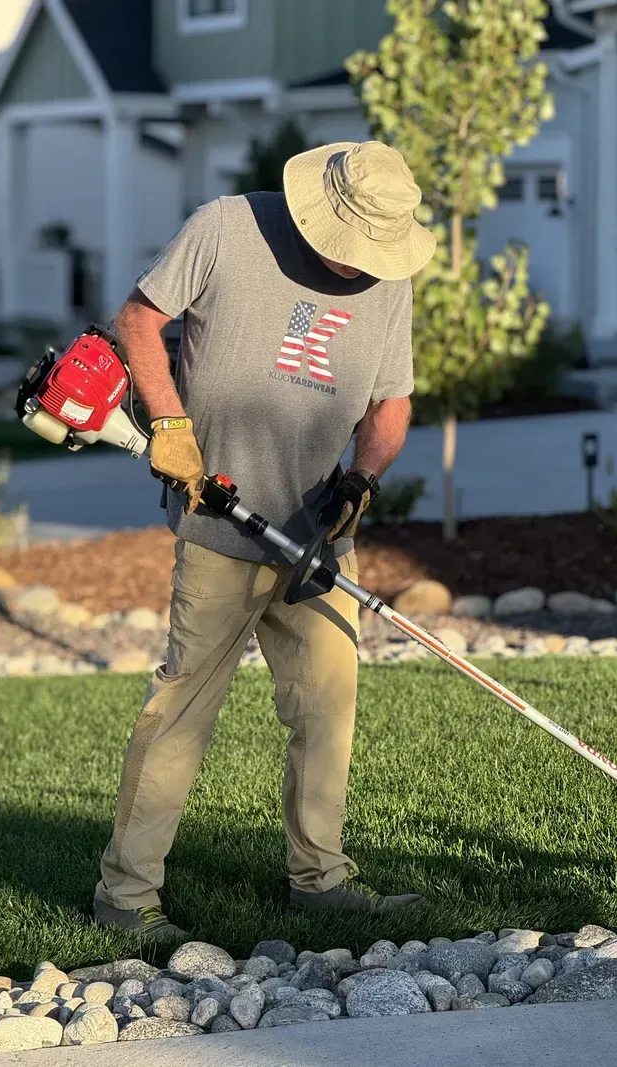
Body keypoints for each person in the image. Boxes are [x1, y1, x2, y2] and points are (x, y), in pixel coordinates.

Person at [92, 140, 436, 940]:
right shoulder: (225, 228)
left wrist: (361, 480)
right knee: (181, 712)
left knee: (327, 707)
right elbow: (139, 320)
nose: (363, 266)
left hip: (318, 537)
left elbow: (391, 401)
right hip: (222, 525)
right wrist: (171, 423)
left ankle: (320, 880)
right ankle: (126, 897)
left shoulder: (390, 279)